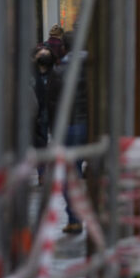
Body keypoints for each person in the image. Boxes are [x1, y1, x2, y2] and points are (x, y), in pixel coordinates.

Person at [55, 33, 90, 234]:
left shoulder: (60, 71)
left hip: (70, 125)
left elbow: (53, 104)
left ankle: (75, 219)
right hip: (93, 125)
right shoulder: (93, 69)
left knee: (71, 173)